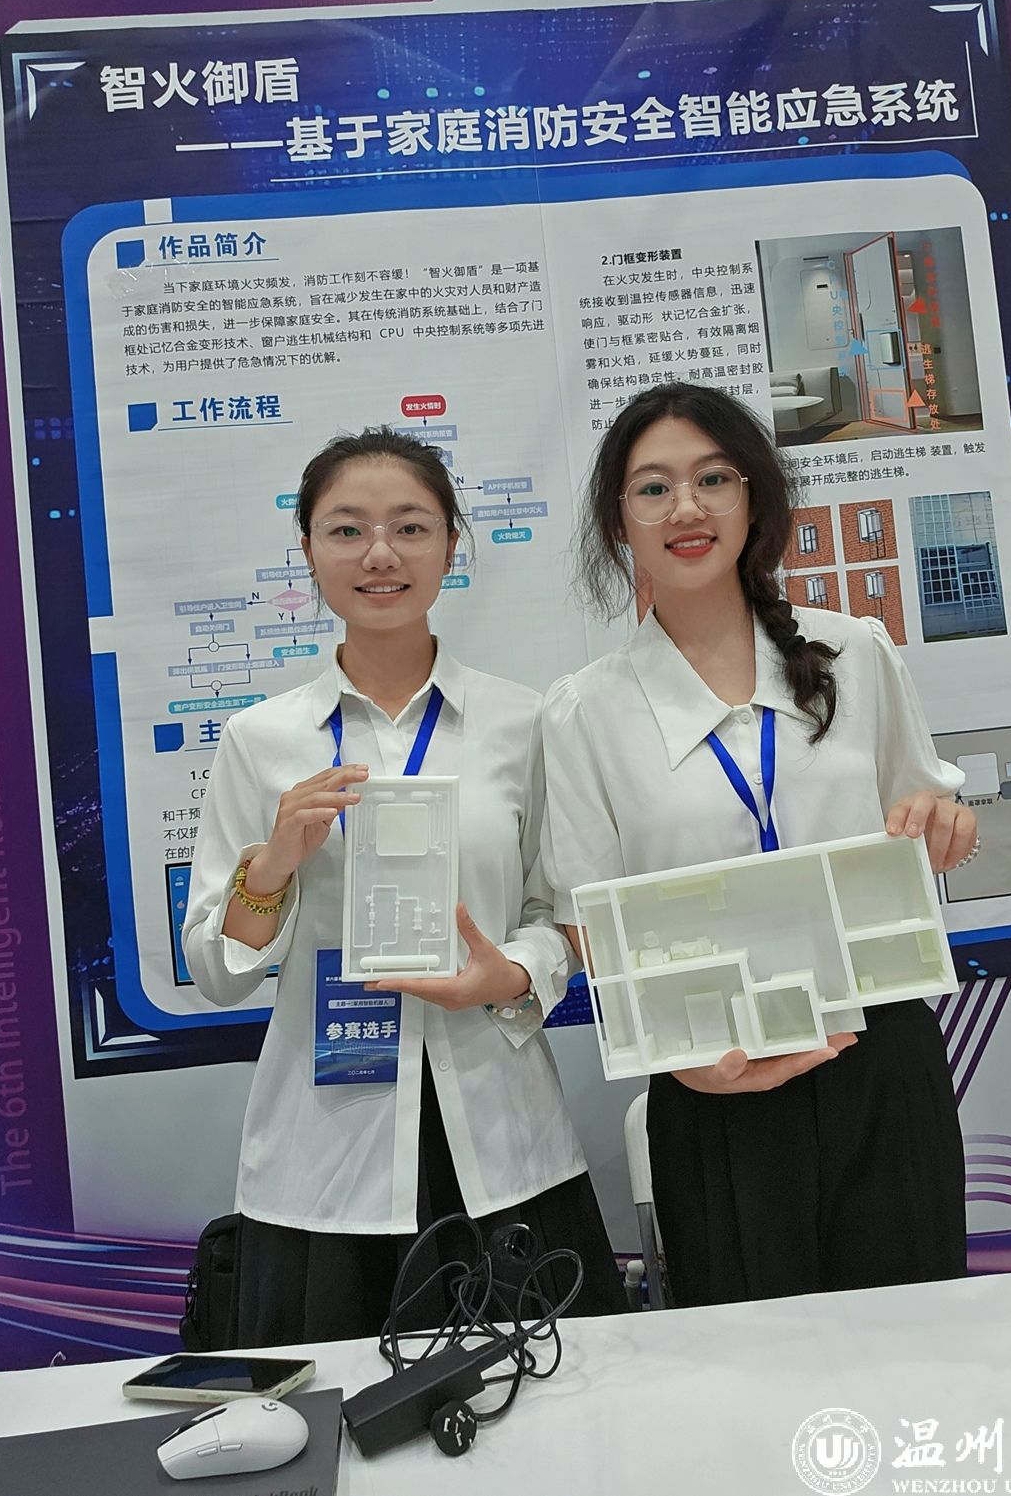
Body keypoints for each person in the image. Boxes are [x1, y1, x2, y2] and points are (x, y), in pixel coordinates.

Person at [540, 382, 976, 1308]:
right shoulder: (584, 710)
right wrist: (684, 1060)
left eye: (713, 479)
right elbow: (588, 922)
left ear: (753, 497)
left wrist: (947, 825)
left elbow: (929, 811)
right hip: (713, 1080)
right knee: (751, 1364)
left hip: (879, 1057)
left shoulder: (856, 651)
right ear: (619, 521)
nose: (685, 508)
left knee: (920, 1342)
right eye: (653, 488)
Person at [183, 427, 622, 1343]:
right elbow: (217, 973)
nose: (379, 553)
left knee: (551, 1407)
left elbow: (564, 912)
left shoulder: (522, 721)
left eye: (410, 527)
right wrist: (274, 863)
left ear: (451, 546)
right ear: (308, 548)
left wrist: (509, 973)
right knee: (335, 1415)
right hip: (326, 1157)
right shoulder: (260, 741)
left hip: (502, 1141)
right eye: (347, 529)